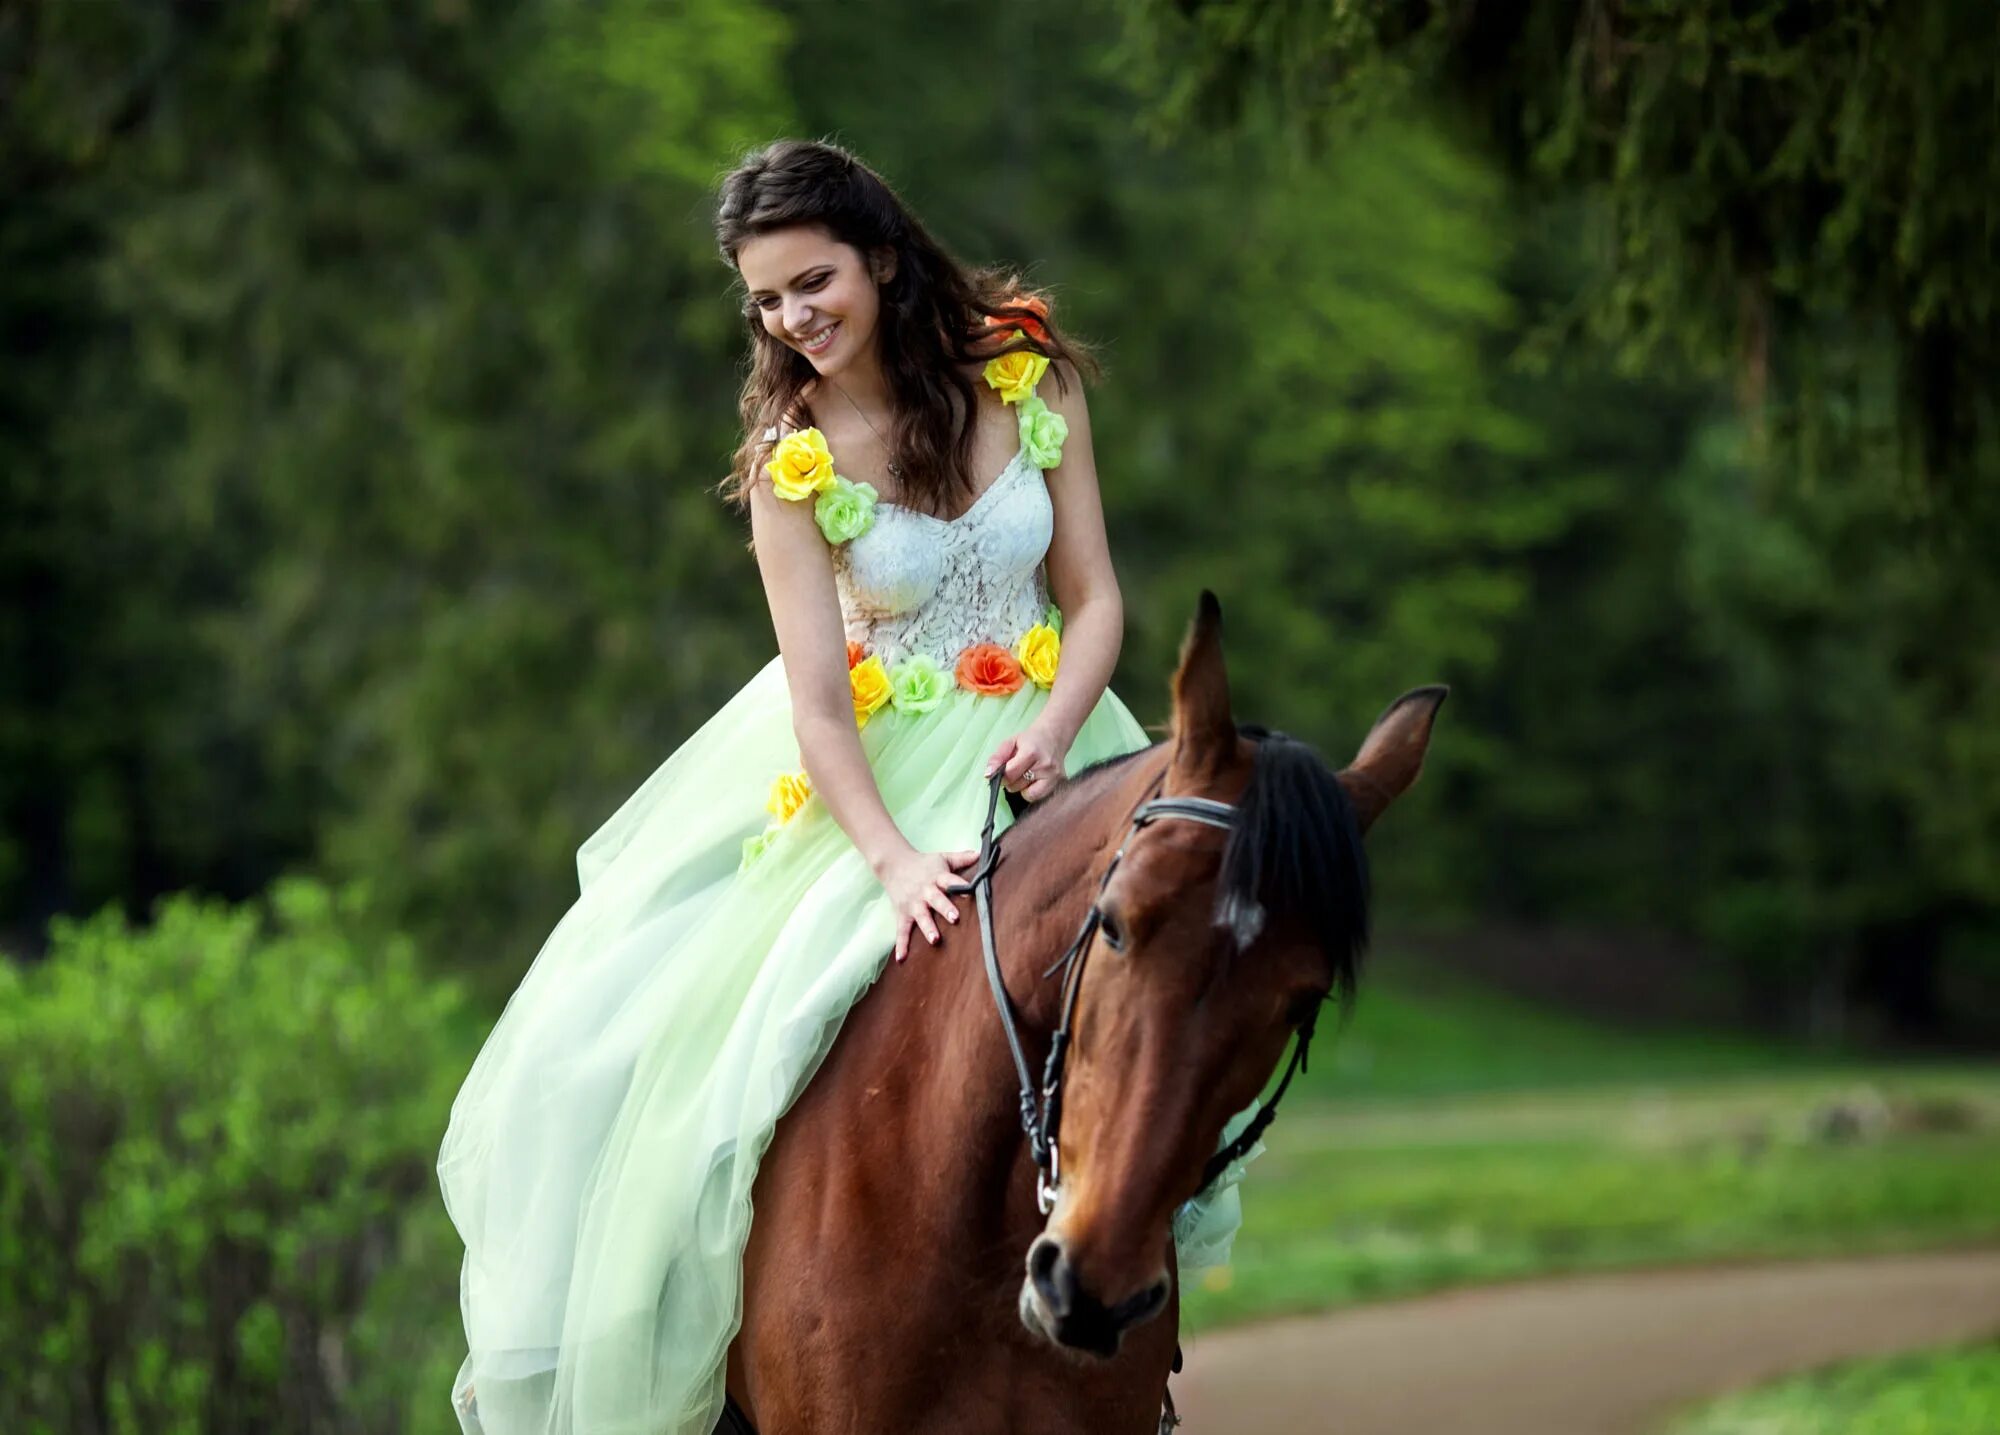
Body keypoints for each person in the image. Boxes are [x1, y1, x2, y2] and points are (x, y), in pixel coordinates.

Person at [436, 137, 1259, 1435]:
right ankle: (728, 1356)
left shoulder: (1027, 378)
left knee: (1159, 997)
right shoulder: (792, 462)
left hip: (1054, 740)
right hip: (874, 780)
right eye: (767, 300)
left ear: (880, 255)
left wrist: (1052, 731)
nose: (793, 318)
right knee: (692, 1049)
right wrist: (889, 861)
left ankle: (1116, 1358)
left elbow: (1094, 596)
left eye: (812, 281)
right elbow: (817, 704)